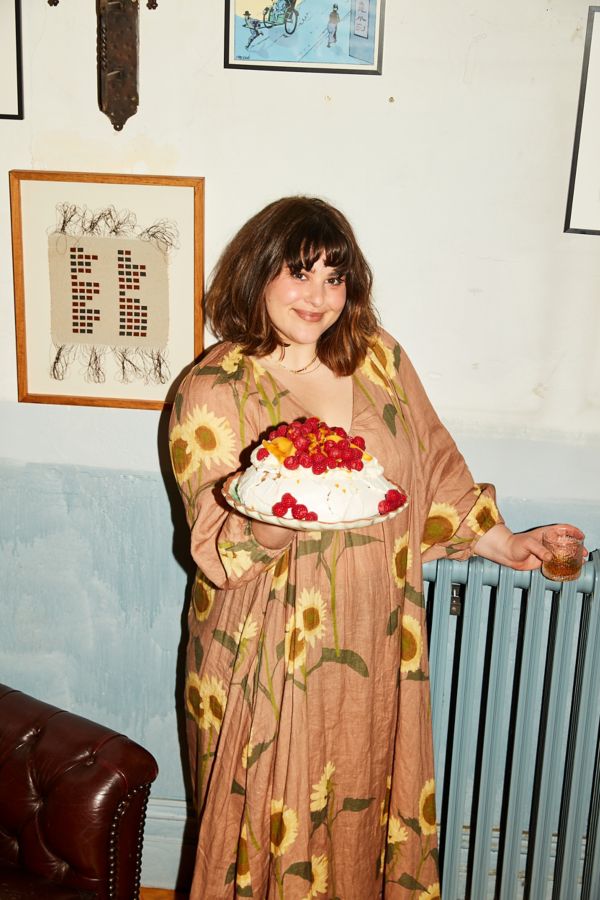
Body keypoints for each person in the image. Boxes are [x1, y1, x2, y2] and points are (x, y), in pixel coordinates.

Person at [169, 196, 583, 899]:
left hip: (375, 642)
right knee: (265, 829)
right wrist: (275, 510)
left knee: (361, 811)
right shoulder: (213, 387)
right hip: (264, 652)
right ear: (257, 274)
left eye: (336, 277)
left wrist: (506, 543)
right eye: (299, 273)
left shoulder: (379, 359)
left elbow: (435, 464)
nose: (319, 296)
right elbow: (214, 538)